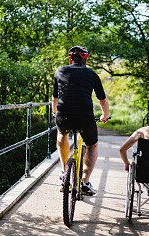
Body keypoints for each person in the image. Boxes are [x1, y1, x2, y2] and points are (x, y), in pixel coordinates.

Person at [52, 45, 110, 196]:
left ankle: (65, 172)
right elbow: (102, 100)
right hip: (85, 116)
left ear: (70, 58)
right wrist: (105, 116)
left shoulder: (60, 71)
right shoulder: (91, 74)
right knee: (92, 145)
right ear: (86, 59)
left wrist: (54, 113)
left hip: (64, 114)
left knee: (62, 134)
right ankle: (85, 181)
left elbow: (55, 99)